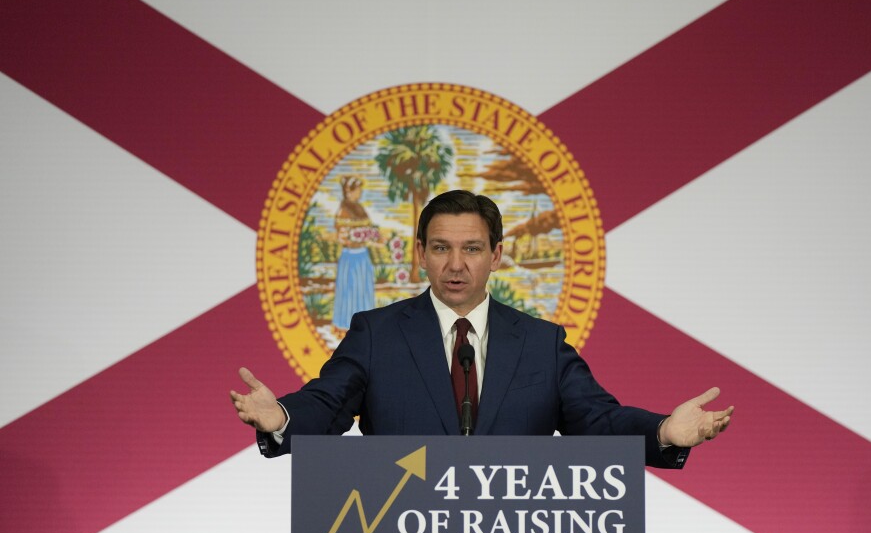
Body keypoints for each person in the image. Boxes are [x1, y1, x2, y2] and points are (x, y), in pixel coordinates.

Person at [231, 190, 733, 468]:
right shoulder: (377, 334)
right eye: (441, 248)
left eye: (471, 249)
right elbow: (326, 404)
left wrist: (664, 430)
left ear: (495, 256)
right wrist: (279, 417)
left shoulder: (543, 343)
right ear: (420, 255)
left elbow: (598, 422)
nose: (456, 264)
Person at [331, 175, 378, 332]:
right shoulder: (343, 211)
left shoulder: (360, 208)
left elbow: (369, 230)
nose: (359, 193)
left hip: (363, 256)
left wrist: (372, 237)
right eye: (357, 190)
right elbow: (342, 236)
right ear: (348, 192)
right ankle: (344, 326)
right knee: (349, 291)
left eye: (360, 190)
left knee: (363, 291)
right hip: (350, 257)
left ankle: (365, 327)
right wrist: (353, 237)